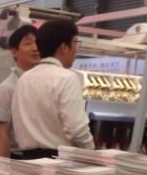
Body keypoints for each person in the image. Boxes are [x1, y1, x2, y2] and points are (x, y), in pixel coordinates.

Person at [12, 19, 94, 158]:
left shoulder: (24, 79)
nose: (76, 49)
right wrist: (91, 151)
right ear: (63, 47)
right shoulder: (67, 78)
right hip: (58, 160)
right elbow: (76, 128)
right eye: (75, 42)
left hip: (26, 159)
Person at [0, 25, 40, 158]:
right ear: (14, 52)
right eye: (28, 44)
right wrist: (5, 167)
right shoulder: (7, 88)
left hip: (39, 158)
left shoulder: (43, 85)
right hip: (16, 157)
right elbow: (2, 134)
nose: (35, 48)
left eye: (37, 43)